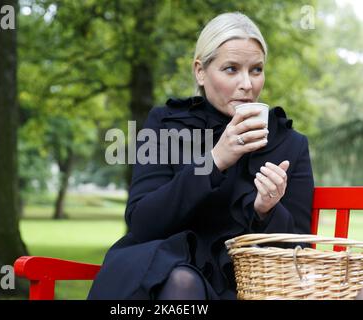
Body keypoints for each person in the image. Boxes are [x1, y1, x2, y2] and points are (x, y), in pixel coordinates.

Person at [87, 12, 314, 300]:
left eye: (256, 69)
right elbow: (143, 223)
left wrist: (265, 211)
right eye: (231, 69)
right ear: (200, 71)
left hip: (242, 283)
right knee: (180, 281)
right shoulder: (167, 124)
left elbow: (298, 252)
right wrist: (215, 160)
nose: (247, 84)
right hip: (164, 266)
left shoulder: (289, 144)